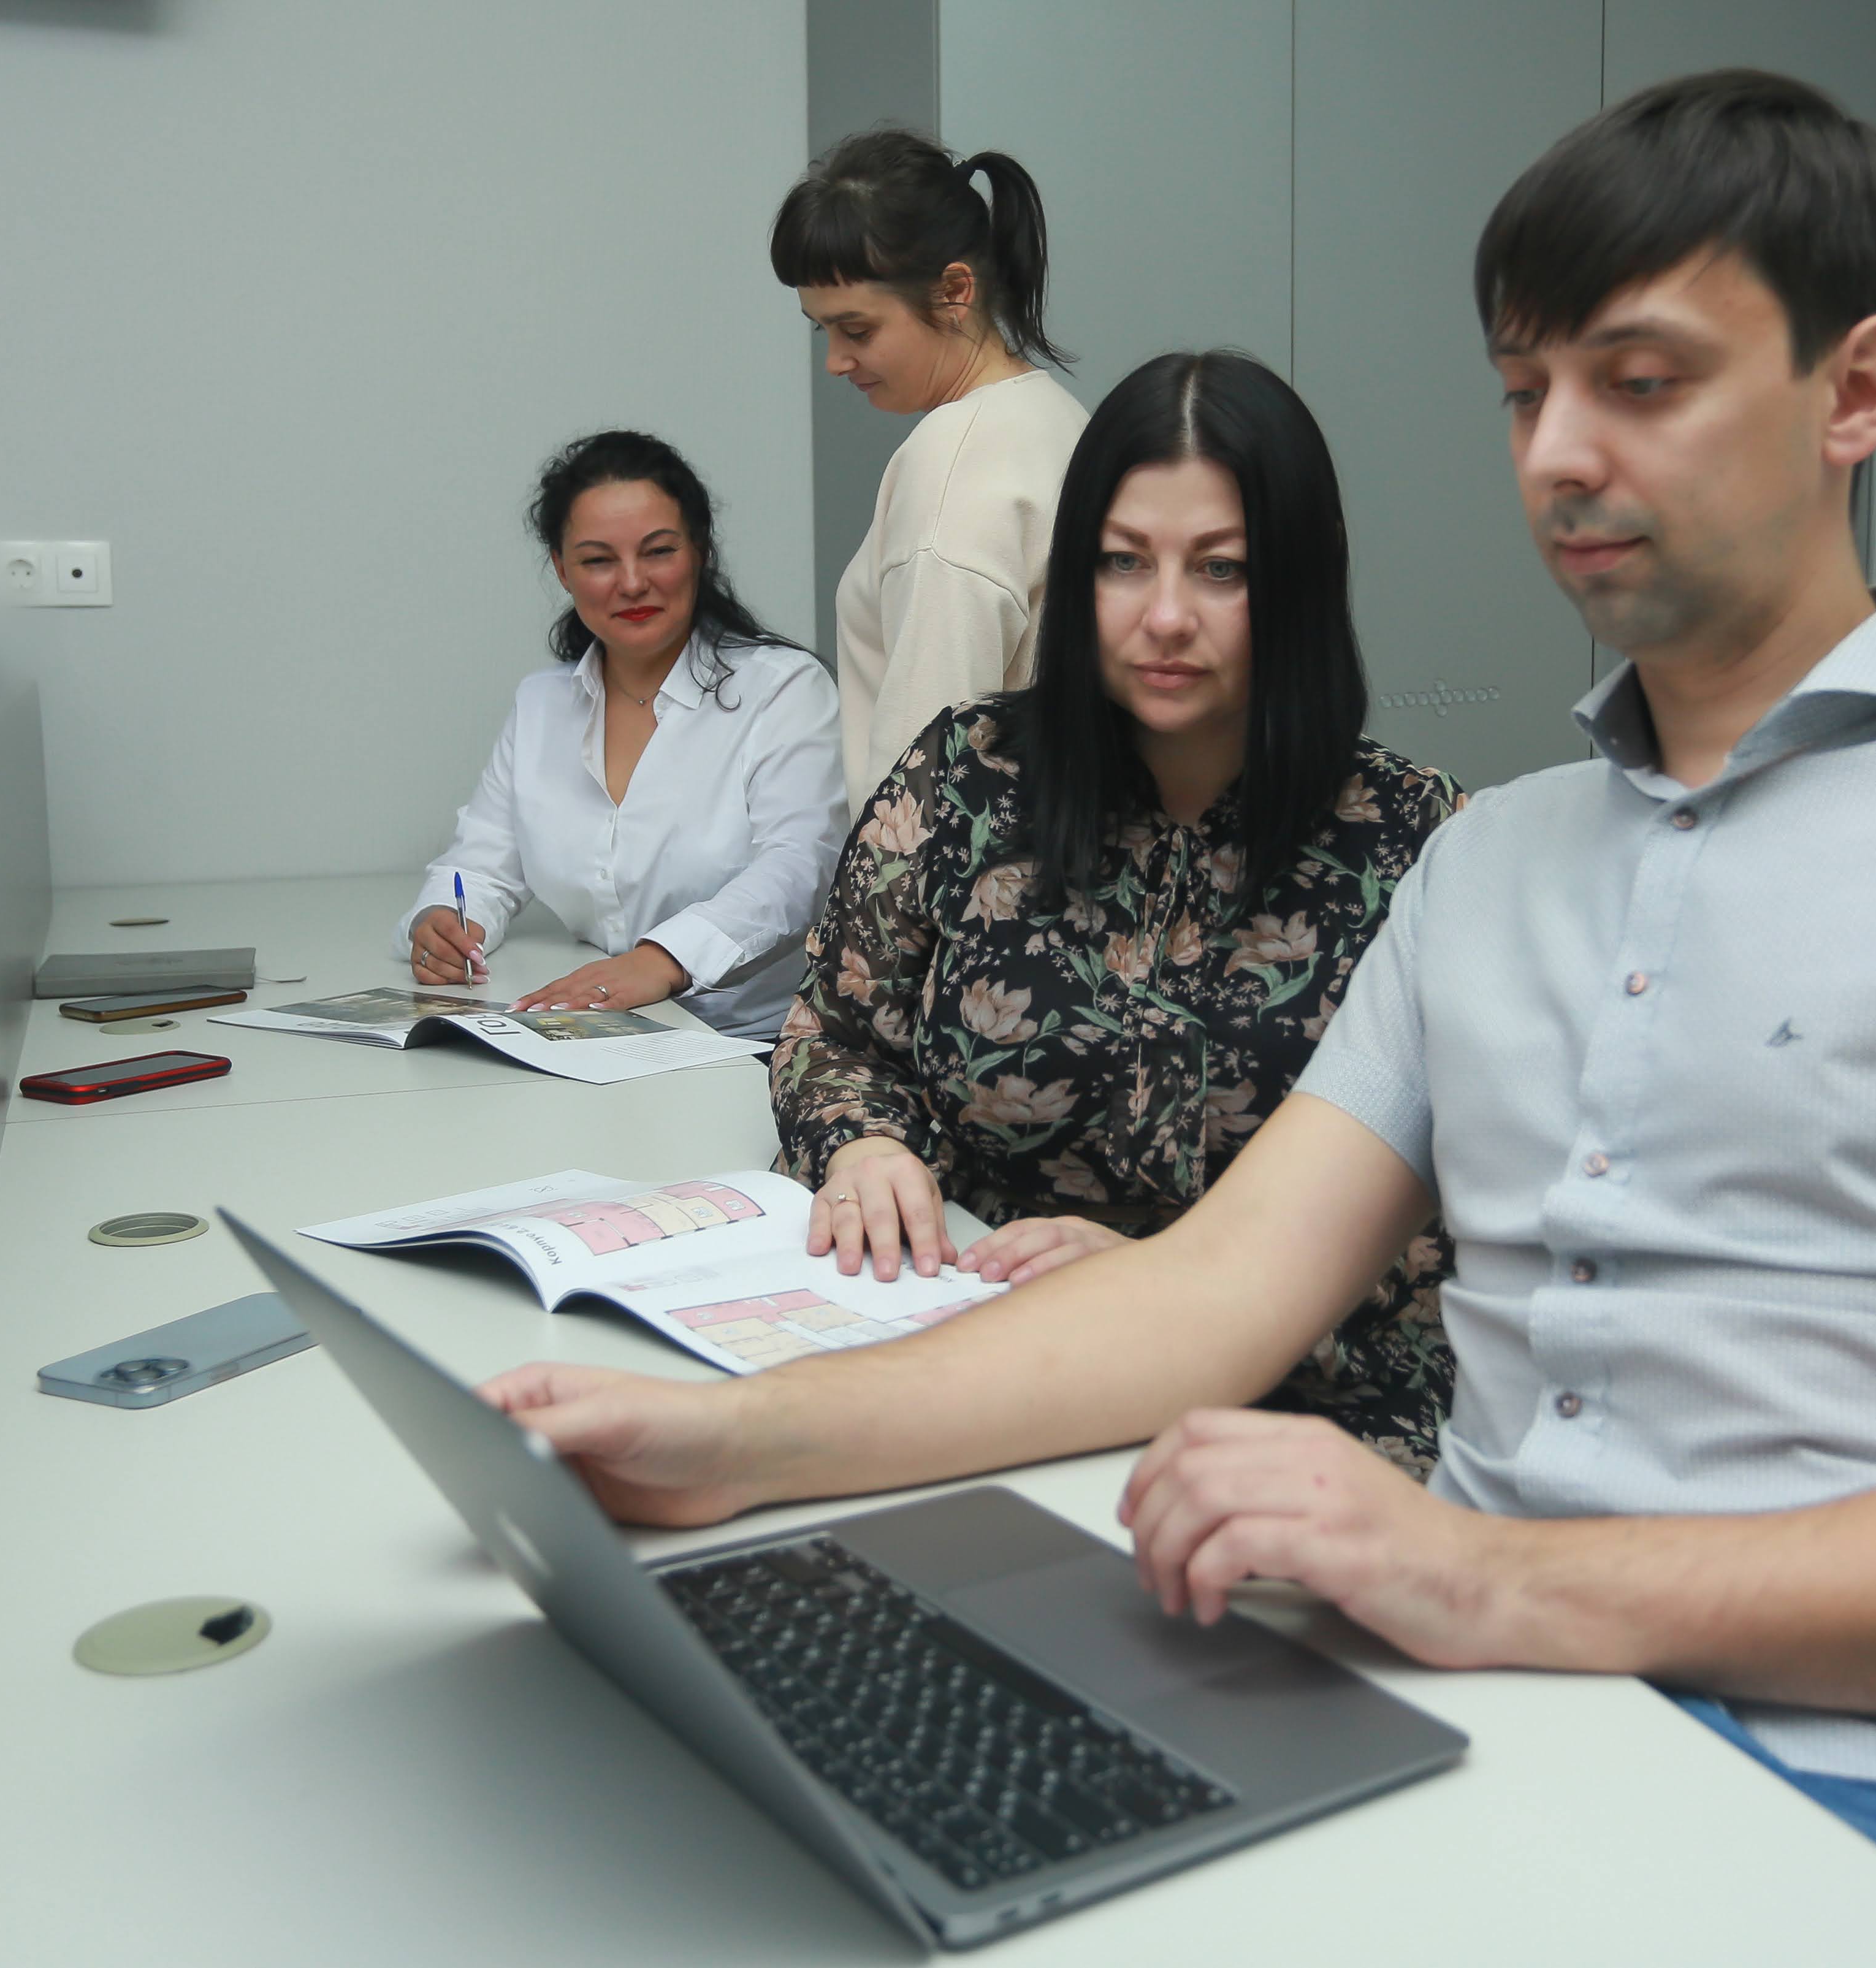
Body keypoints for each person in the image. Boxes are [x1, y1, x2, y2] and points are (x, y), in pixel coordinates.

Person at [484, 72, 1876, 1968]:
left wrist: (1488, 1573)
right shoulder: (1491, 864)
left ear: (1857, 388)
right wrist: (732, 1447)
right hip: (1464, 1708)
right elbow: (1202, 1295)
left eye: (1637, 382)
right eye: (1522, 390)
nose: (1558, 454)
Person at [771, 350, 1466, 1473]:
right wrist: (863, 1147)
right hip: (978, 1357)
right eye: (1122, 563)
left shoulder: (1415, 840)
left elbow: (1466, 1217)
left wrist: (1171, 1285)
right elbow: (834, 1034)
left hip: (1292, 1419)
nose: (1166, 617)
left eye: (1223, 569)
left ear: (1299, 578)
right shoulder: (968, 776)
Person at [402, 431, 846, 1040]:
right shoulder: (541, 703)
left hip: (758, 1044)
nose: (632, 583)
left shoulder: (784, 689)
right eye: (598, 561)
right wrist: (443, 924)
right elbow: (482, 867)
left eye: (658, 551)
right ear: (562, 570)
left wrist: (664, 960)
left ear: (700, 551)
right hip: (595, 1034)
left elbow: (802, 866)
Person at [773, 129, 1091, 800]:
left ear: (954, 291)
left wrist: (887, 868)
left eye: (857, 330)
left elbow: (924, 781)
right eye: (821, 328)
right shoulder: (1058, 417)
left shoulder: (954, 461)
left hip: (963, 863)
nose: (835, 361)